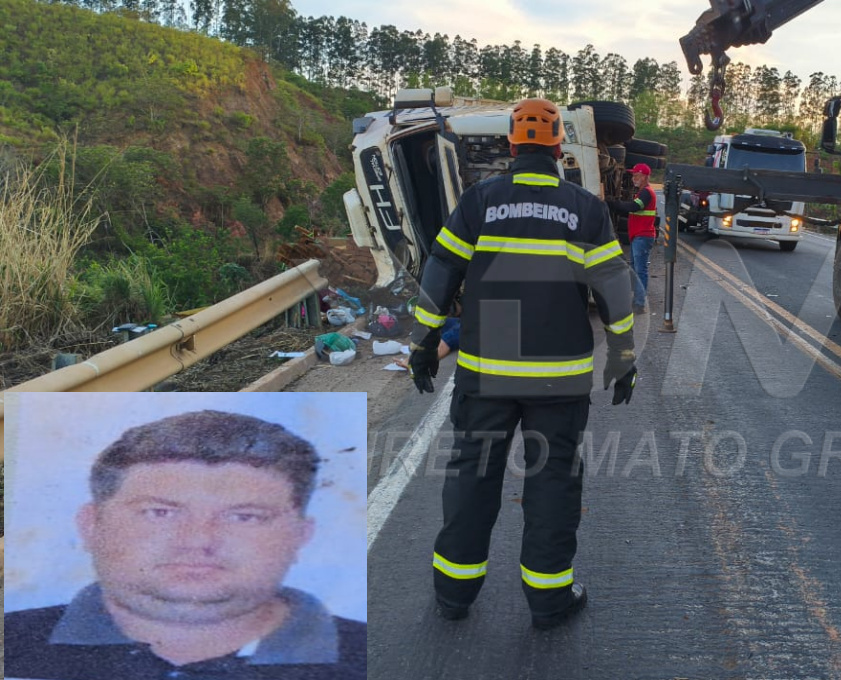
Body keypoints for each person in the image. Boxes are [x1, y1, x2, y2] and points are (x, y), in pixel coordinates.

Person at [406, 97, 639, 631]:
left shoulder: (478, 202)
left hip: (489, 367)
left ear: (512, 145)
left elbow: (441, 273)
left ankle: (453, 597)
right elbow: (615, 292)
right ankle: (549, 601)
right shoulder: (585, 209)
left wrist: (424, 343)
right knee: (552, 482)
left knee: (473, 477)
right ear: (559, 147)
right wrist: (624, 357)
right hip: (560, 374)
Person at [4, 409, 367, 679]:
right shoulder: (11, 644)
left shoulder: (365, 654)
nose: (197, 541)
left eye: (244, 517)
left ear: (300, 536)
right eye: (159, 513)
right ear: (91, 525)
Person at [606, 162, 658, 314]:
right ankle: (637, 301)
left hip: (643, 236)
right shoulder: (641, 192)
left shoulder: (646, 193)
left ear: (644, 176)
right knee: (636, 269)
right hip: (639, 236)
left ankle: (639, 304)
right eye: (633, 175)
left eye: (636, 175)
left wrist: (612, 203)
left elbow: (633, 207)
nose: (633, 178)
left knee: (640, 270)